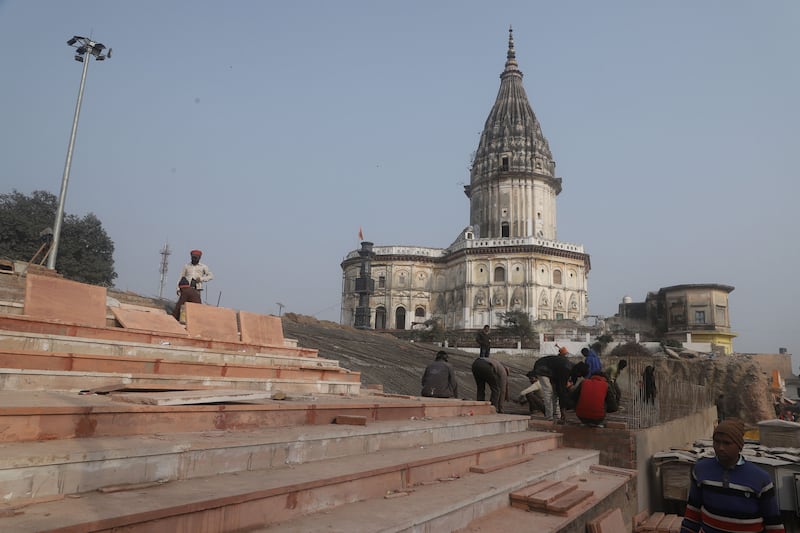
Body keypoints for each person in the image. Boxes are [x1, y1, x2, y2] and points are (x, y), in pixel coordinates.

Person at [680, 419, 785, 533]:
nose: (720, 447)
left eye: (727, 443)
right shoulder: (701, 470)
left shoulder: (760, 478)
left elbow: (773, 523)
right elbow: (692, 514)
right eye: (717, 441)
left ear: (739, 446)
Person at [531, 353, 574, 423]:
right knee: (548, 391)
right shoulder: (566, 368)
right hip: (542, 368)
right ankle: (549, 417)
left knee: (555, 392)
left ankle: (557, 415)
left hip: (551, 371)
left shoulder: (567, 366)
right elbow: (562, 391)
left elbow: (560, 390)